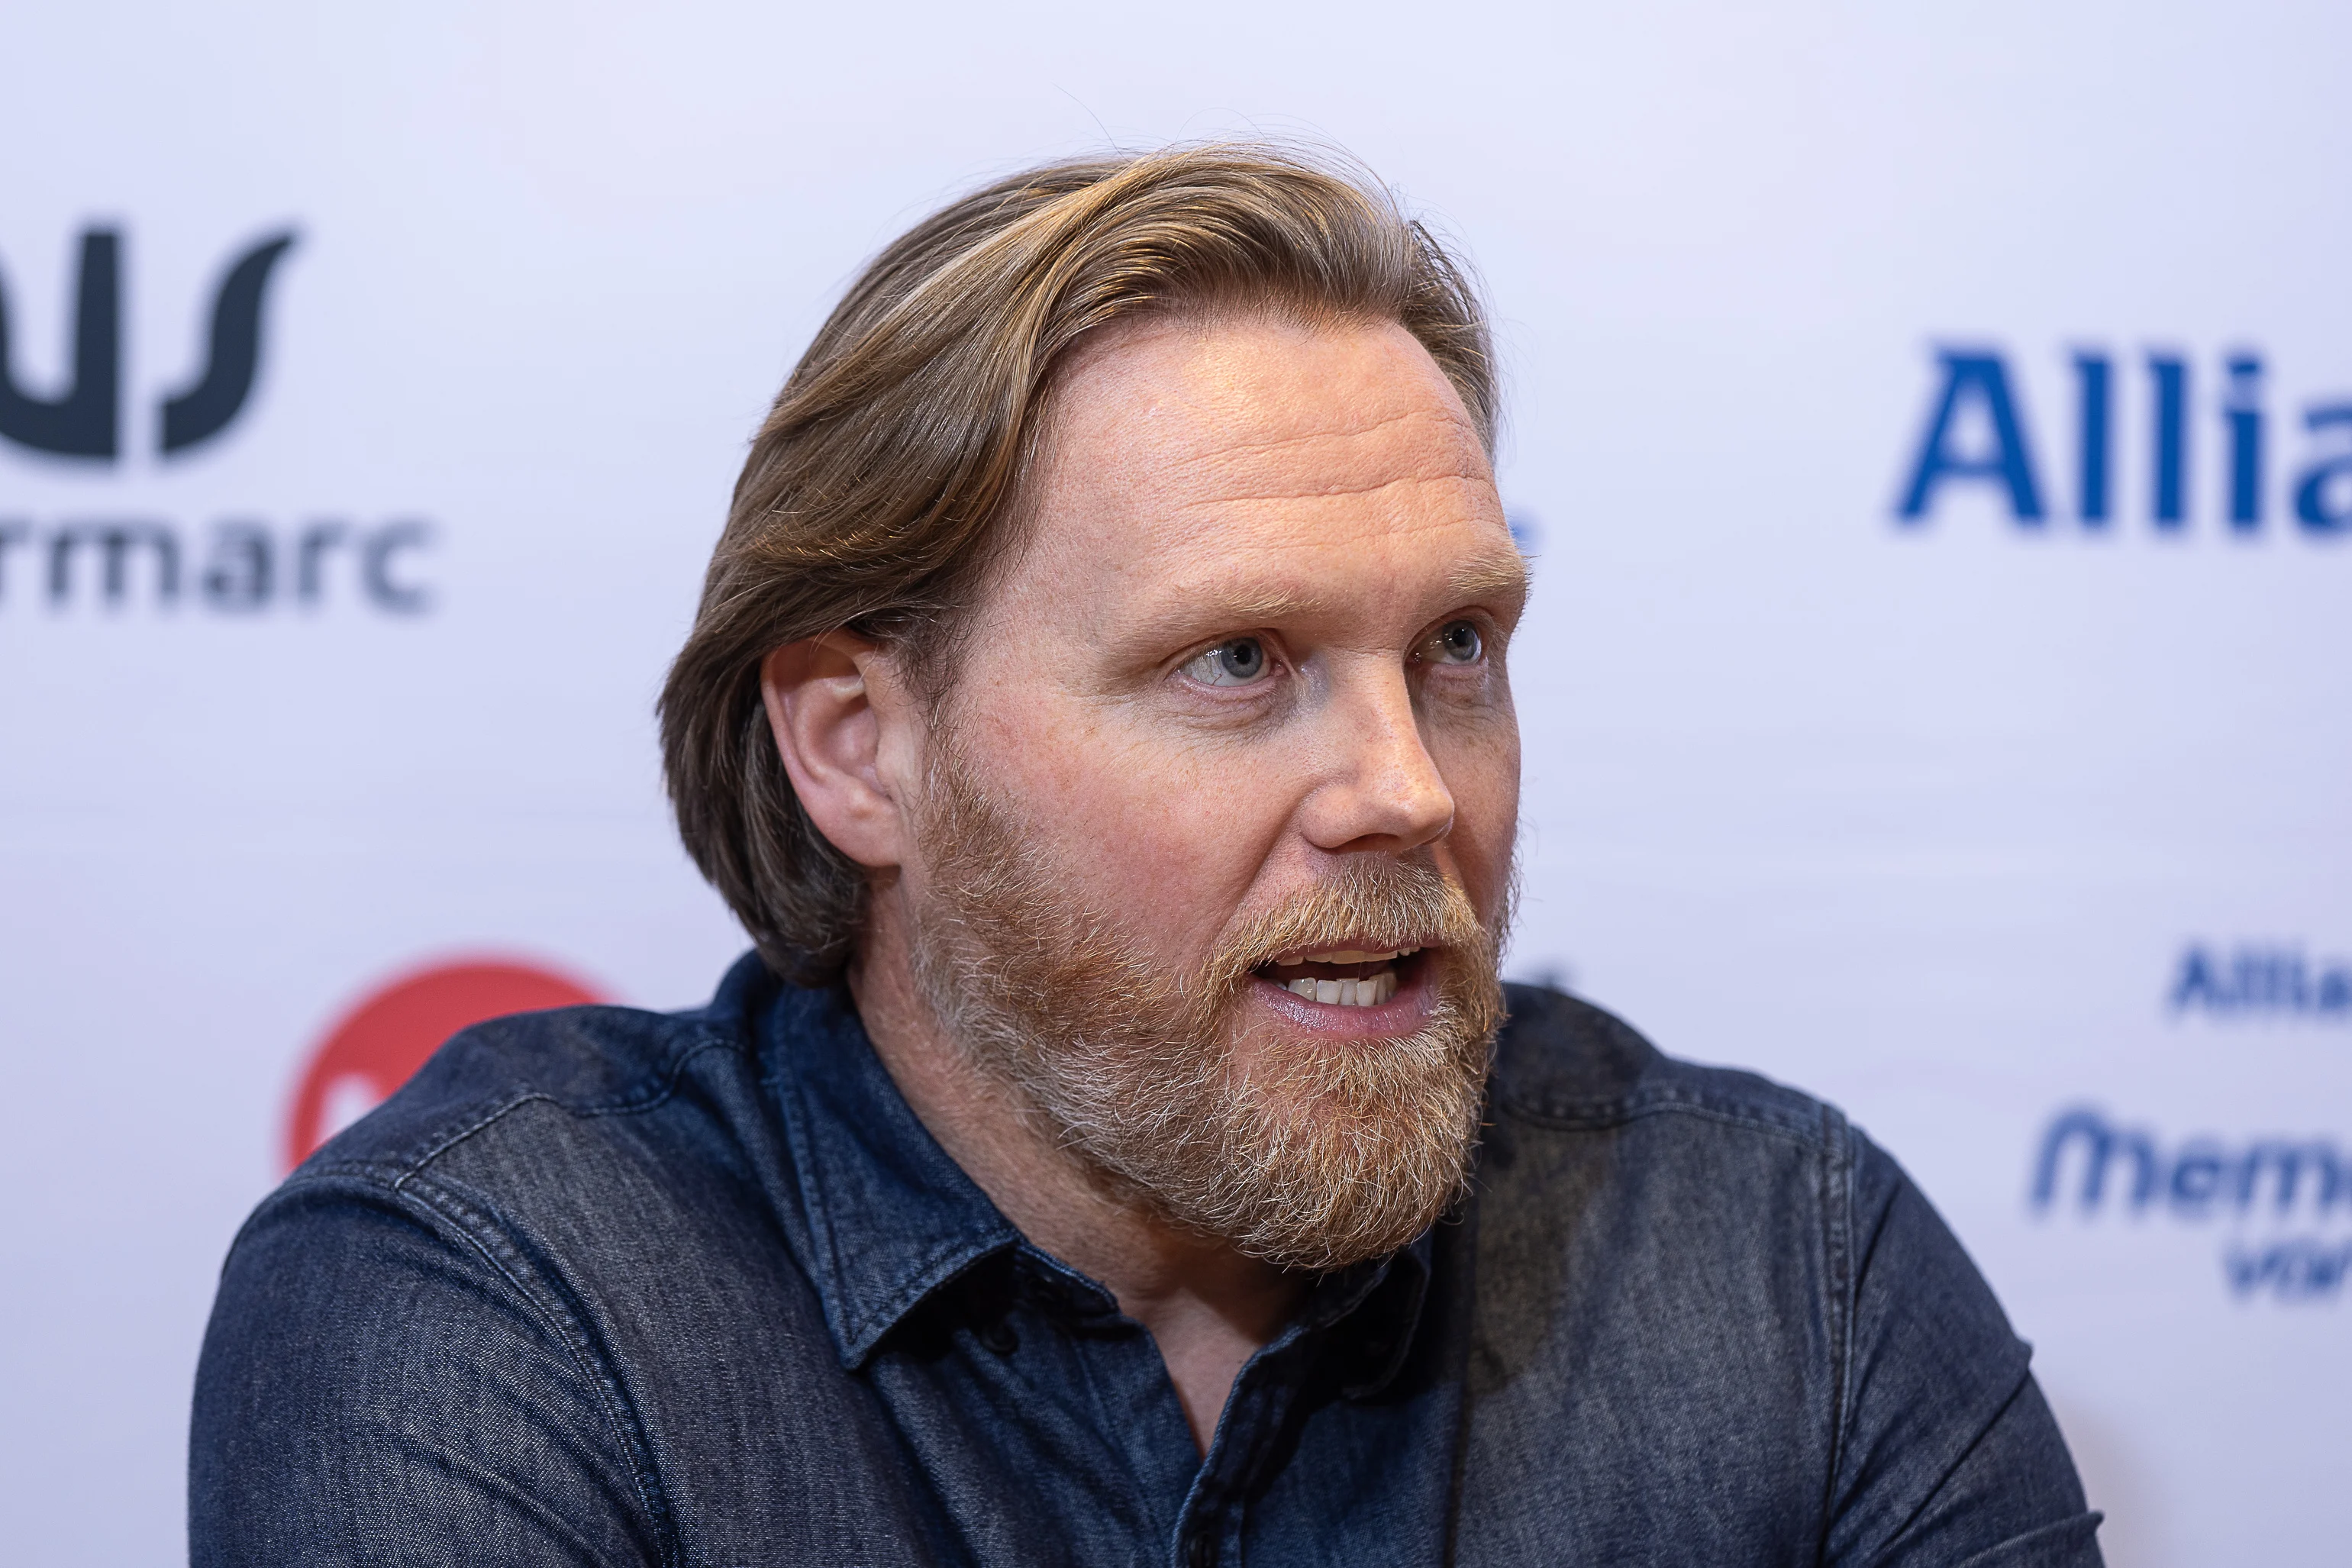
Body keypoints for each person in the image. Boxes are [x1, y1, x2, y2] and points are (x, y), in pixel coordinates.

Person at [192, 143, 2102, 1566]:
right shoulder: (505, 1296)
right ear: (861, 747)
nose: (1407, 789)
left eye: (1454, 650)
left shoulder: (1781, 1268)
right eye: (1236, 661)